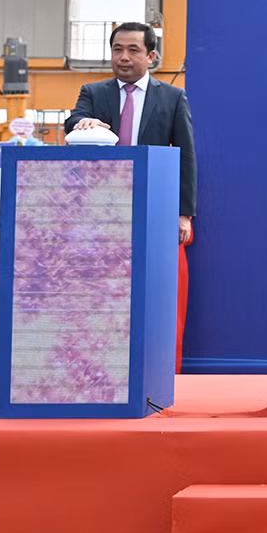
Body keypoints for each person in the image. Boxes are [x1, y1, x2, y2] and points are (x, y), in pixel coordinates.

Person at [66, 22, 199, 368]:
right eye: (117, 50)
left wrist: (183, 213)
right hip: (102, 215)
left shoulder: (171, 98)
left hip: (153, 211)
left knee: (156, 299)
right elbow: (73, 121)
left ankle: (160, 369)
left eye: (133, 50)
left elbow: (186, 155)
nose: (123, 57)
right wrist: (83, 124)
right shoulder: (93, 94)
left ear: (151, 56)